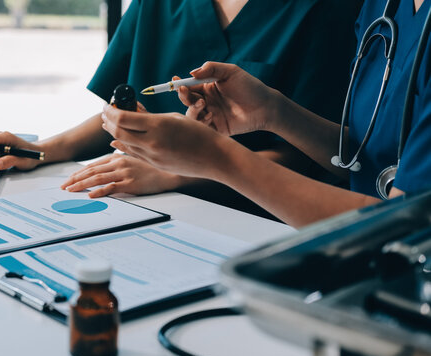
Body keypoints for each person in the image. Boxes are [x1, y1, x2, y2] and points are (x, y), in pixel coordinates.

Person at [0, 0, 361, 210]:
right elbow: (121, 115)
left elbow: (316, 160)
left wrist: (174, 175)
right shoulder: (158, 4)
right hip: (149, 207)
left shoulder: (328, 11)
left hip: (257, 216)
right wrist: (43, 149)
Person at [99, 0, 431, 227]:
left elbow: (407, 226)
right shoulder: (383, 6)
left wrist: (217, 158)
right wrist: (273, 111)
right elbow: (364, 160)